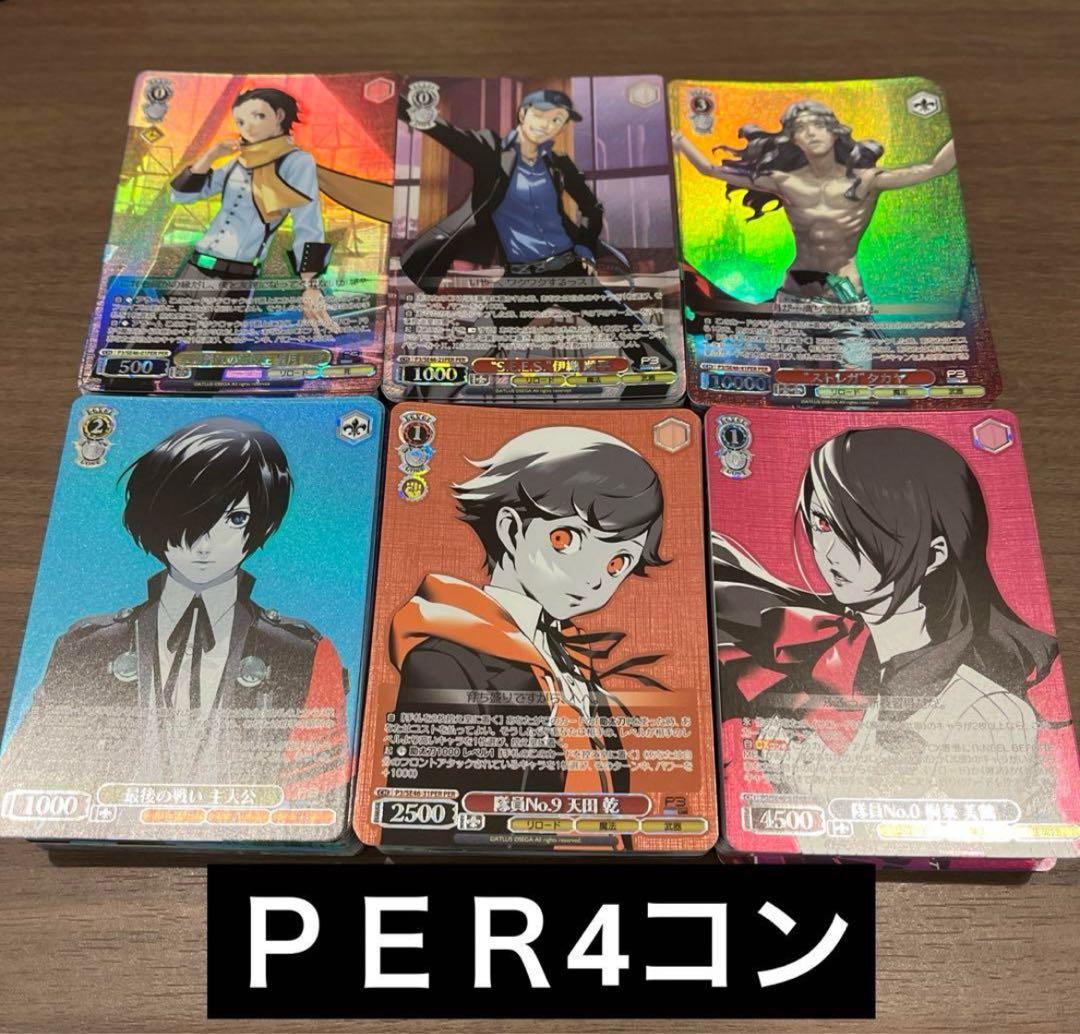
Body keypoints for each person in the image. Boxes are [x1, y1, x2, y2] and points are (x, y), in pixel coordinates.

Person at [712, 426, 1060, 806]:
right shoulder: (865, 668)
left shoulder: (984, 712)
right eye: (823, 524)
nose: (829, 552)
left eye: (863, 533)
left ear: (934, 555)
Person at [10, 418, 349, 798]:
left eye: (235, 519)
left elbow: (319, 795)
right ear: (154, 512)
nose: (205, 543)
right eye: (189, 515)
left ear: (261, 523)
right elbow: (29, 779)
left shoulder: (302, 654)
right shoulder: (86, 648)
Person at [384, 426, 668, 847]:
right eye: (566, 540)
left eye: (617, 562)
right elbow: (424, 823)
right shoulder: (445, 661)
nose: (593, 578)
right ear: (511, 530)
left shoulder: (572, 664)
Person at [399, 88, 677, 373]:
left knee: (642, 342)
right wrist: (408, 110)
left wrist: (584, 249)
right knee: (472, 351)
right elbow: (451, 136)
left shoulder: (559, 163)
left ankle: (652, 380)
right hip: (521, 280)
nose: (547, 125)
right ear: (523, 114)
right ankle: (425, 394)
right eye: (541, 115)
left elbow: (592, 208)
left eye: (557, 120)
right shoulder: (492, 152)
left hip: (570, 271)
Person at [673, 99, 956, 305]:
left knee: (855, 367)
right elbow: (709, 169)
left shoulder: (866, 181)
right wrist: (679, 141)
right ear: (793, 139)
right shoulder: (784, 182)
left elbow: (936, 167)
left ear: (834, 132)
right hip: (795, 295)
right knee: (788, 367)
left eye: (819, 125)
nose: (811, 133)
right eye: (801, 128)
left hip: (845, 296)